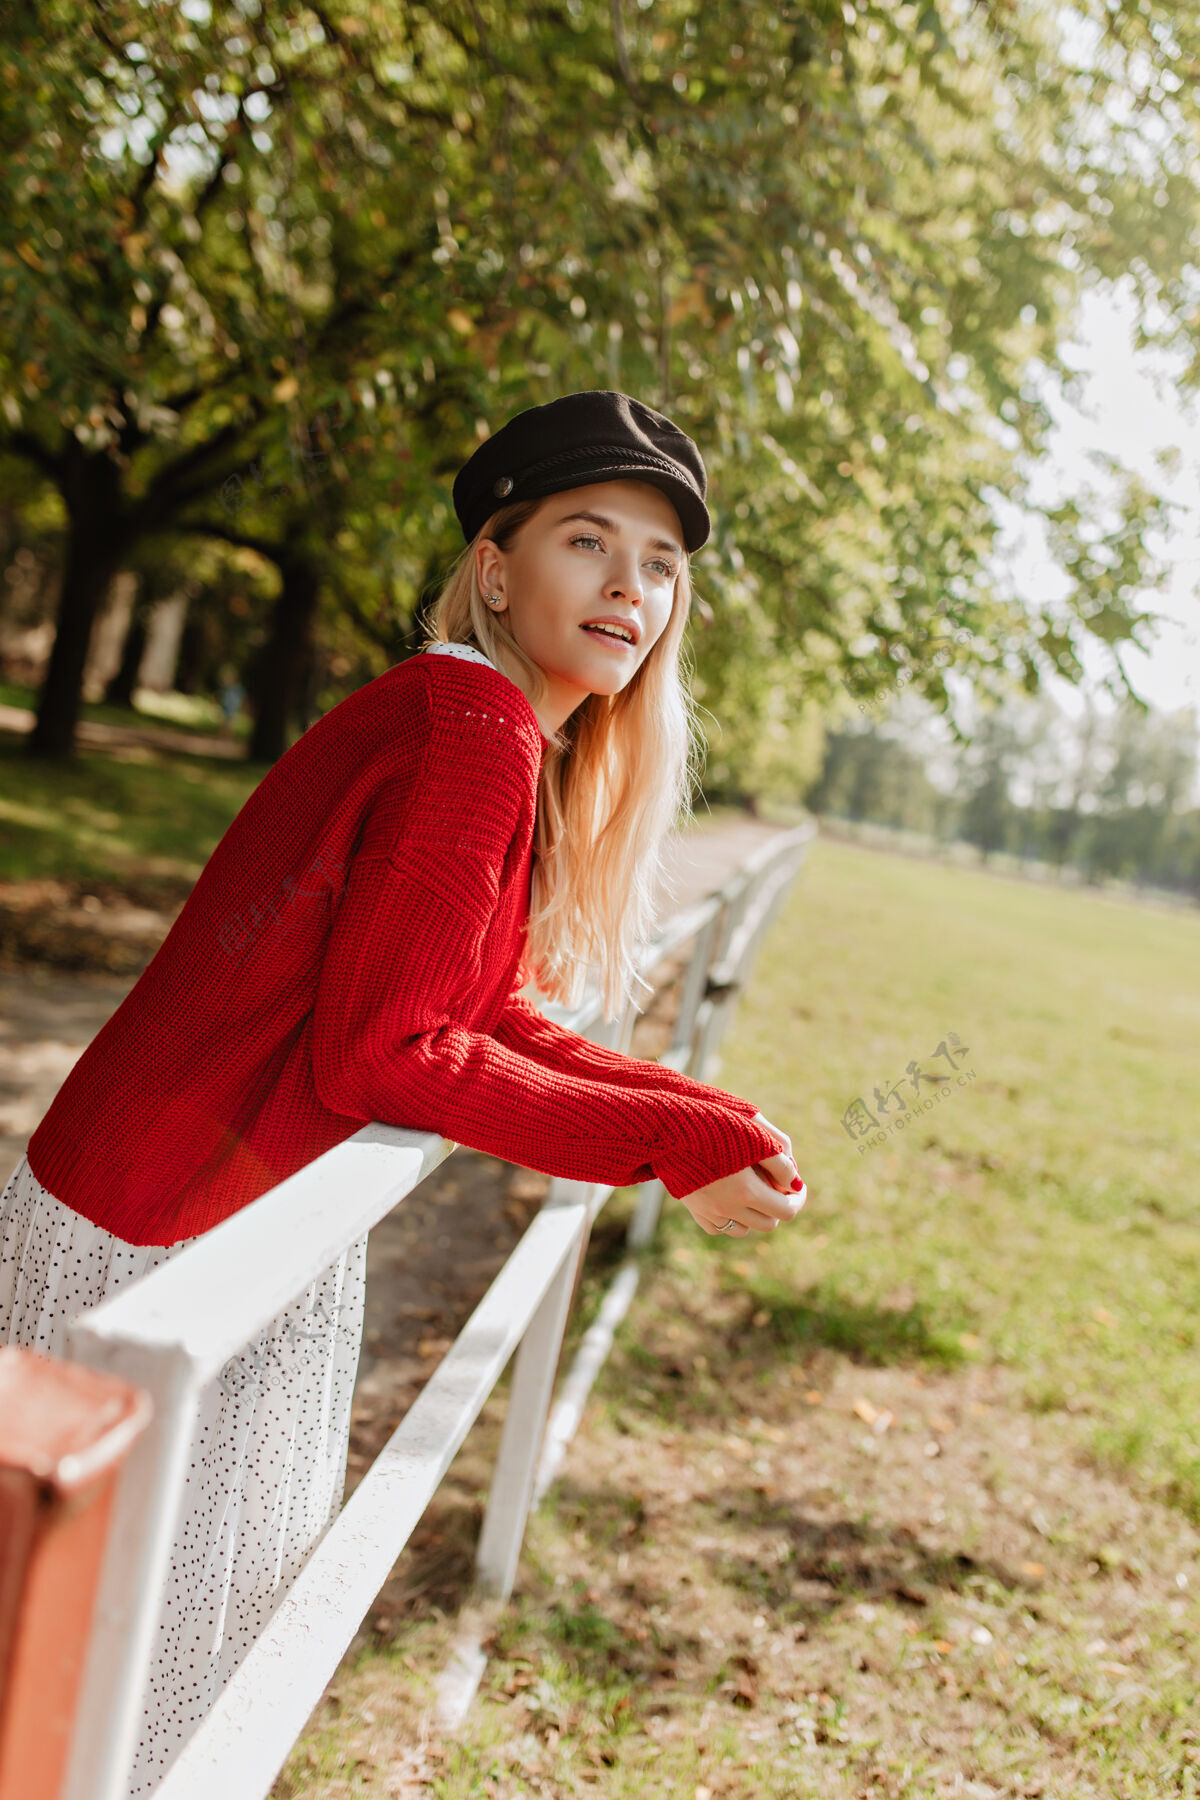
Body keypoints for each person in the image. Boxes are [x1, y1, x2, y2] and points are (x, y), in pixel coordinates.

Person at [0, 388, 805, 1796]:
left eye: (663, 564)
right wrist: (662, 1143)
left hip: (172, 1217)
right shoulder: (470, 730)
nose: (632, 586)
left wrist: (700, 1121)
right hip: (160, 1248)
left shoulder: (478, 722)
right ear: (497, 568)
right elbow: (388, 1053)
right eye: (588, 542)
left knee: (98, 1679)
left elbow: (476, 1008)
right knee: (105, 1698)